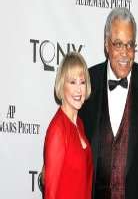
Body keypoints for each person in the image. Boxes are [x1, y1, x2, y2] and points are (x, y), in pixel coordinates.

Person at [79, 7, 138, 199]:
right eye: (118, 44)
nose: (125, 53)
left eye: (130, 44)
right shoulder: (87, 81)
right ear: (106, 45)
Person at [44, 52, 93, 199]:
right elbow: (50, 193)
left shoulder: (79, 124)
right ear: (61, 85)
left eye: (82, 82)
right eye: (72, 82)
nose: (79, 89)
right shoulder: (58, 129)